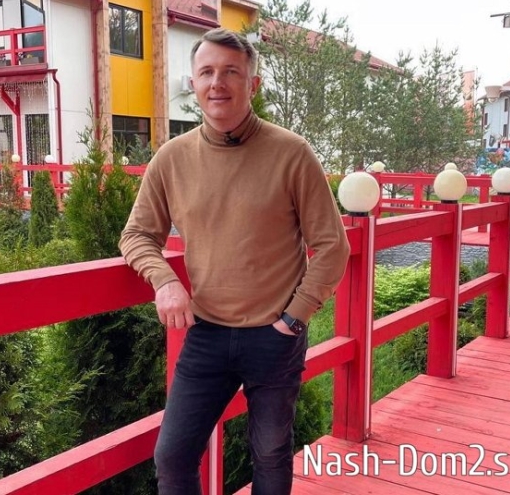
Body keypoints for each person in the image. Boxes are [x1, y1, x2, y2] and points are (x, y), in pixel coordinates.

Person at [119, 28, 350, 494]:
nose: (217, 83)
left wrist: (295, 316)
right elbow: (137, 235)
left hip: (275, 334)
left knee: (270, 454)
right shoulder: (171, 158)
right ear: (193, 83)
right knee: (173, 455)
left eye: (231, 72)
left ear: (253, 84)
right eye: (206, 72)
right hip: (206, 333)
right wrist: (164, 280)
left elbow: (332, 245)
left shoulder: (291, 153)